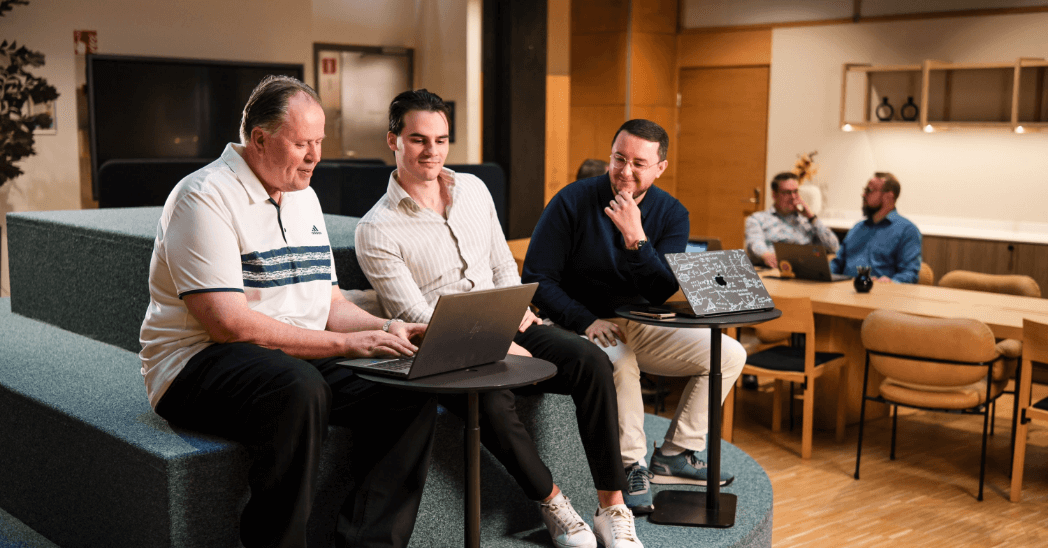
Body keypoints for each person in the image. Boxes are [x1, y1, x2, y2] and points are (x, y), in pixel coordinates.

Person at [139, 76, 439, 548]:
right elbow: (228, 325)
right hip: (193, 363)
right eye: (302, 144)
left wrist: (386, 328)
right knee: (299, 387)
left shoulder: (304, 197)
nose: (315, 156)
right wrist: (346, 344)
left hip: (293, 353)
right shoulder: (203, 196)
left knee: (408, 390)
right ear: (259, 139)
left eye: (319, 142)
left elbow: (330, 305)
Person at [355, 89, 642, 548]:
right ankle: (554, 504)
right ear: (393, 140)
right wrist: (491, 342)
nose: (432, 151)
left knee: (591, 361)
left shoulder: (473, 189)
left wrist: (519, 311)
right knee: (489, 400)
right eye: (418, 139)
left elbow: (502, 263)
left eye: (441, 139)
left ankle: (612, 506)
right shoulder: (376, 228)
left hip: (509, 323)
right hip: (447, 349)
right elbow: (413, 314)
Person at [521, 119, 746, 516]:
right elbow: (537, 279)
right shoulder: (572, 200)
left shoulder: (672, 213)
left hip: (640, 323)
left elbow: (661, 290)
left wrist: (635, 239)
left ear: (660, 167)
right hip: (576, 324)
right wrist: (585, 320)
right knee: (621, 362)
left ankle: (675, 454)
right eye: (619, 159)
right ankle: (630, 467)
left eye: (639, 163)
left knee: (728, 354)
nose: (626, 171)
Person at [831, 172, 922, 284]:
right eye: (865, 190)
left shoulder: (907, 230)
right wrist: (822, 273)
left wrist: (892, 282)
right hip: (844, 289)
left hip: (881, 292)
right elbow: (837, 263)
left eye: (869, 190)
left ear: (889, 196)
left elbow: (910, 273)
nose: (863, 195)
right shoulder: (857, 228)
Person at [744, 171, 839, 269]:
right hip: (772, 269)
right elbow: (755, 243)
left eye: (796, 191)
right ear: (774, 195)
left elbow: (833, 247)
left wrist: (811, 217)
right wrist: (766, 255)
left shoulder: (807, 222)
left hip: (804, 271)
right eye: (787, 193)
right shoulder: (757, 219)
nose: (793, 197)